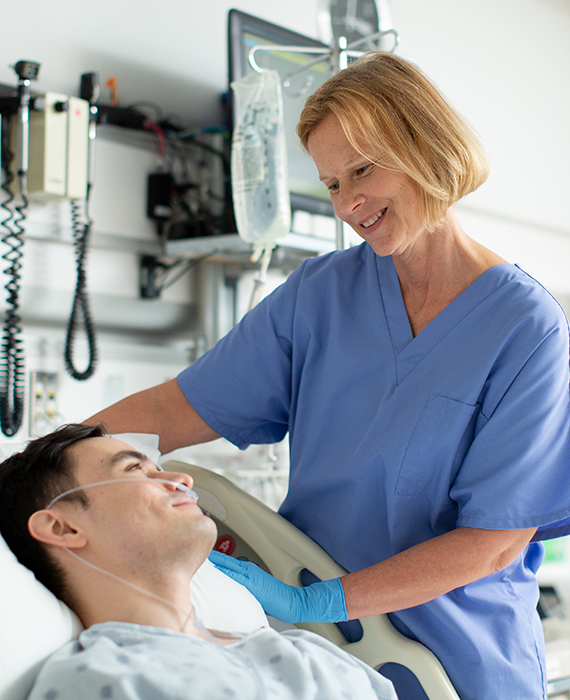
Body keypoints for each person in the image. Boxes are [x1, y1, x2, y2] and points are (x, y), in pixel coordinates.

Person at [84, 52, 570, 700]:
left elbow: (491, 545)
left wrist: (316, 601)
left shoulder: (525, 326)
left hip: (463, 661)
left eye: (363, 170)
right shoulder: (321, 294)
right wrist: (46, 458)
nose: (349, 202)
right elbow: (178, 409)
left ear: (424, 146)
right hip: (329, 658)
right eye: (332, 183)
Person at [0, 424, 397, 700]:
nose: (182, 479)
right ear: (62, 527)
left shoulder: (306, 652)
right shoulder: (101, 681)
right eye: (135, 469)